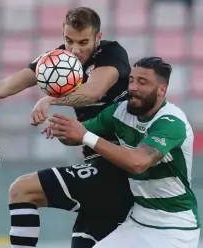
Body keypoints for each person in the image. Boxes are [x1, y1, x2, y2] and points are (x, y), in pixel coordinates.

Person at [0, 7, 133, 248]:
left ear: (97, 38)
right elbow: (3, 86)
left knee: (22, 189)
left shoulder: (111, 53)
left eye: (84, 42)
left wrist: (51, 99)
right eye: (69, 41)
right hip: (96, 163)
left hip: (121, 163)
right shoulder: (54, 60)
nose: (75, 50)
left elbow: (94, 91)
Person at [48, 56, 201, 248]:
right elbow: (75, 135)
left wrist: (85, 136)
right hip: (138, 222)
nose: (133, 87)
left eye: (142, 82)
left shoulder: (170, 122)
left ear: (162, 90)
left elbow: (138, 163)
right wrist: (61, 128)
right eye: (131, 80)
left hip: (174, 228)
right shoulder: (120, 112)